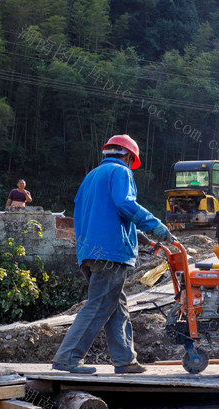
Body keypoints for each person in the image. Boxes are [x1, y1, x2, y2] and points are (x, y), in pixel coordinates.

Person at [51, 134, 172, 374]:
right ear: (128, 156)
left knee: (116, 305)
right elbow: (125, 204)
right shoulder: (121, 172)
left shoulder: (91, 177)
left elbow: (101, 215)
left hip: (89, 251)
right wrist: (155, 225)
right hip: (110, 254)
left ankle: (124, 360)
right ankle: (67, 357)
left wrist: (140, 236)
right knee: (99, 305)